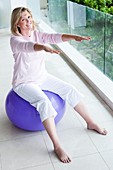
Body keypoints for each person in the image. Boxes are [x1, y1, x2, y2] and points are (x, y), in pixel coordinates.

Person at [10, 7, 107, 163]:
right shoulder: (15, 40)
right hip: (23, 82)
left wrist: (74, 37)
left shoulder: (36, 34)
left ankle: (90, 122)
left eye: (29, 16)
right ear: (17, 24)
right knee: (44, 102)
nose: (28, 21)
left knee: (70, 89)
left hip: (41, 77)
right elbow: (28, 47)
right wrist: (43, 47)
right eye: (23, 19)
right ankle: (57, 145)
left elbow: (54, 37)